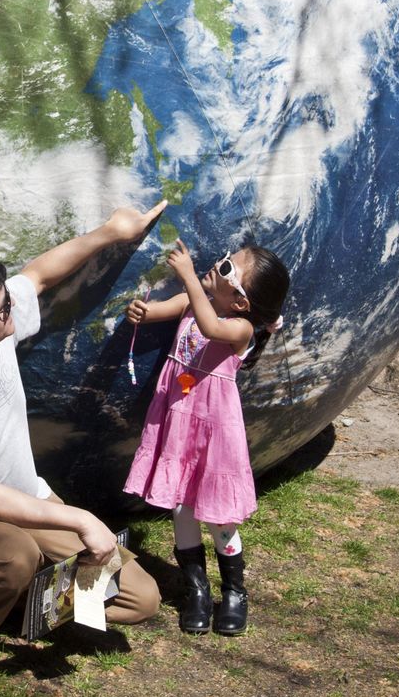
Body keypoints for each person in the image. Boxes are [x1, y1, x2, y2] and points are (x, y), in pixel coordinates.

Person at [0, 201, 167, 687]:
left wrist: (111, 232)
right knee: (10, 555)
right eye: (4, 309)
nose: (14, 307)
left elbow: (37, 275)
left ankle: (15, 602)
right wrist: (81, 519)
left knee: (138, 597)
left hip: (26, 499)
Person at [122, 238, 289, 637]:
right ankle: (196, 589)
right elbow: (163, 311)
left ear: (242, 302)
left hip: (214, 427)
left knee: (218, 517)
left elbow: (210, 327)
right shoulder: (192, 302)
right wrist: (142, 312)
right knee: (181, 506)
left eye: (230, 270)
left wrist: (188, 277)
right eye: (226, 260)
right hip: (179, 417)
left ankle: (234, 591)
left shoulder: (239, 327)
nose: (220, 264)